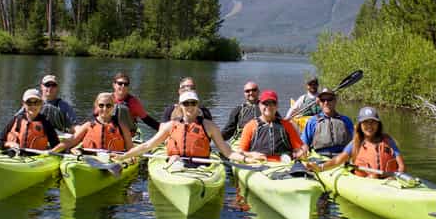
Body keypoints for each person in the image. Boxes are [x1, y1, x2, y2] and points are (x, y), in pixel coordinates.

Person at [113, 91, 264, 166]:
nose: (190, 106)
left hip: (201, 166)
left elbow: (228, 152)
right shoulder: (170, 126)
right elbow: (147, 145)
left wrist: (246, 158)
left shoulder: (209, 126)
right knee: (175, 161)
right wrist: (123, 157)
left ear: (198, 105)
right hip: (175, 164)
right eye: (186, 103)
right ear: (180, 106)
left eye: (193, 103)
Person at [306, 106, 405, 178]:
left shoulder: (388, 140)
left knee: (375, 176)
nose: (369, 126)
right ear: (360, 125)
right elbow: (337, 160)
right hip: (365, 181)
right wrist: (321, 167)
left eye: (373, 122)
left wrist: (394, 177)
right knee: (373, 176)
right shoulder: (355, 143)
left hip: (390, 180)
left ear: (378, 124)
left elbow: (401, 166)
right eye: (365, 122)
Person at [239, 90, 308, 161]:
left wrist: (301, 152)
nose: (269, 106)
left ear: (277, 106)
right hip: (259, 165)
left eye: (273, 103)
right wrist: (251, 154)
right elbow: (241, 152)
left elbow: (301, 148)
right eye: (265, 103)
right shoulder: (250, 126)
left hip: (284, 165)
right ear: (259, 105)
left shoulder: (287, 125)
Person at [62, 92, 134, 153]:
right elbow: (70, 141)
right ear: (96, 106)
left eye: (108, 105)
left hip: (114, 159)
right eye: (101, 105)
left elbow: (130, 148)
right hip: (90, 160)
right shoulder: (88, 125)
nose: (105, 109)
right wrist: (53, 150)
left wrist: (129, 158)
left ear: (113, 107)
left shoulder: (121, 126)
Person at [0, 88, 66, 152]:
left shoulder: (45, 123)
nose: (33, 106)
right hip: (14, 156)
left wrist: (67, 149)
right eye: (29, 103)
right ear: (23, 104)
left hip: (36, 158)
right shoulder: (16, 120)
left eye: (36, 102)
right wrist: (9, 144)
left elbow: (56, 145)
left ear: (41, 104)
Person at [14, 74, 78, 133]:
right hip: (34, 133)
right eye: (47, 85)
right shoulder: (31, 102)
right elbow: (16, 119)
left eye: (53, 85)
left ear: (57, 88)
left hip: (59, 136)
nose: (50, 88)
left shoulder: (64, 106)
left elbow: (74, 127)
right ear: (41, 87)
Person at [301, 88, 354, 156]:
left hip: (342, 157)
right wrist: (304, 150)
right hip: (319, 158)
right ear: (319, 103)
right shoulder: (312, 121)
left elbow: (355, 141)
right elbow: (304, 143)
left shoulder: (346, 120)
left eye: (329, 99)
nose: (326, 103)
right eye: (323, 100)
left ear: (335, 101)